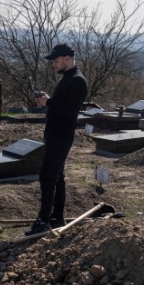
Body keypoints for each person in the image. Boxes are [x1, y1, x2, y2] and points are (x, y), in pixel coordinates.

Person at [27, 43, 88, 236]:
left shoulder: (78, 81)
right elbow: (61, 104)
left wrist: (49, 102)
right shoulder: (67, 78)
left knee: (47, 176)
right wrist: (49, 100)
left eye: (56, 60)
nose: (54, 64)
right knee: (58, 177)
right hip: (55, 134)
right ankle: (57, 217)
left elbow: (71, 111)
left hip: (62, 136)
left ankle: (43, 220)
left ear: (67, 59)